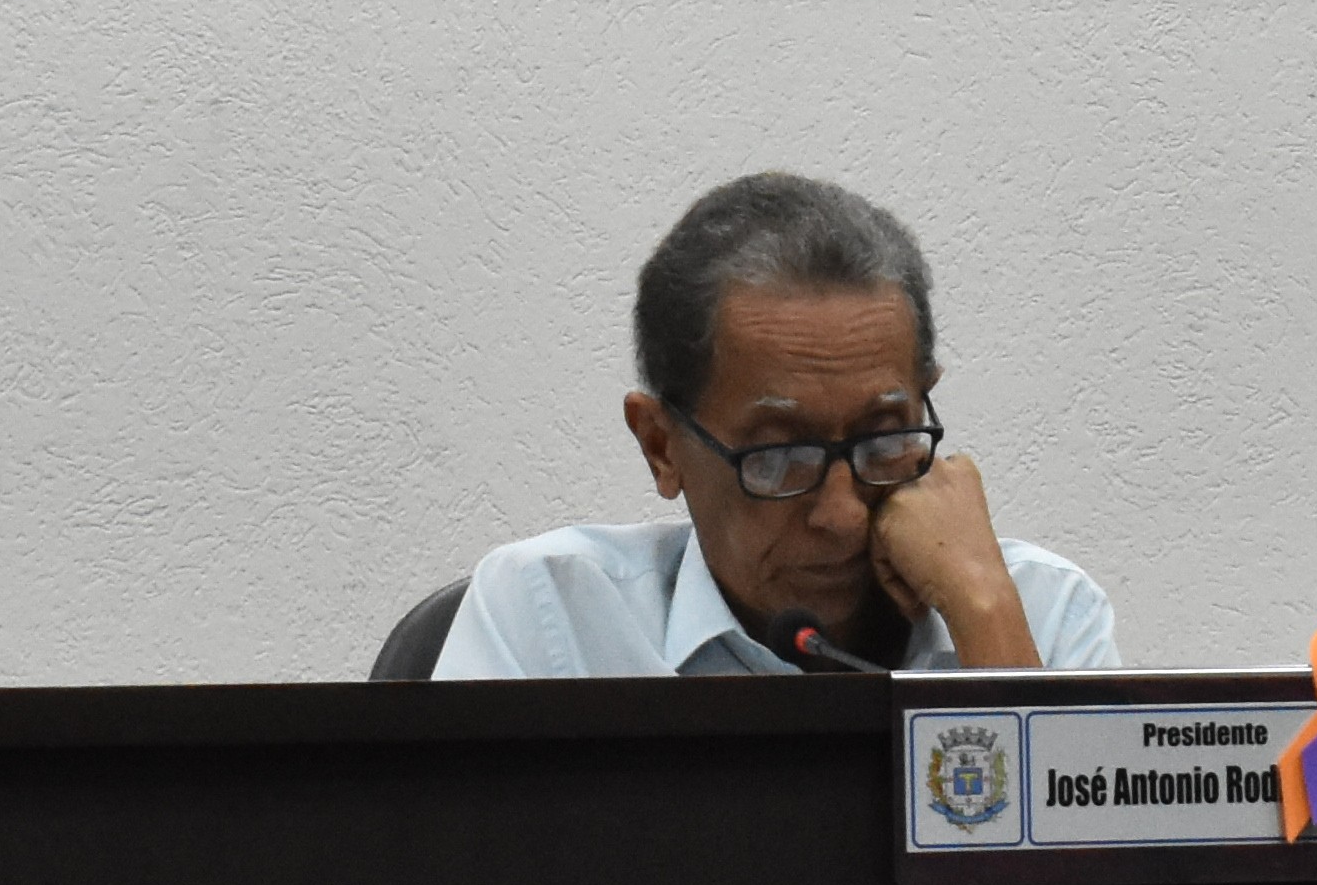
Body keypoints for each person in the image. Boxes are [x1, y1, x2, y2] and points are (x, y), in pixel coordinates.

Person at [433, 170, 1122, 678]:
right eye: (779, 456)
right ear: (660, 446)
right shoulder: (555, 617)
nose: (843, 517)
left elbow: (1069, 843)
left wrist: (983, 614)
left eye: (884, 439)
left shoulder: (1041, 611)